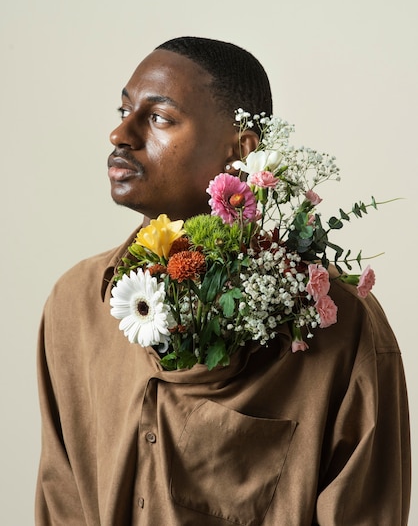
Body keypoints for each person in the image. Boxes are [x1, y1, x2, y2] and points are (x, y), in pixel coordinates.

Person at [36, 37, 411, 525]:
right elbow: (60, 503)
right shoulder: (75, 305)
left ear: (241, 151)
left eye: (159, 118)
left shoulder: (334, 324)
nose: (120, 134)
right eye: (124, 109)